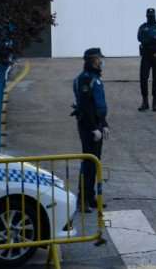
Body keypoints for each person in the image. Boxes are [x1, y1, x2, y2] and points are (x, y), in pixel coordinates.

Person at [72, 47, 109, 213]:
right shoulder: (85, 80)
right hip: (88, 125)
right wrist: (94, 128)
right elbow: (86, 106)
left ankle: (90, 195)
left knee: (95, 161)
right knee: (89, 162)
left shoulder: (95, 78)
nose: (102, 61)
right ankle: (82, 199)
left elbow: (98, 104)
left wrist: (105, 124)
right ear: (94, 60)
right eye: (100, 58)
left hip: (97, 123)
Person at [137, 8, 156, 111]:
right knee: (143, 79)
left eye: (152, 15)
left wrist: (149, 39)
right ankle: (145, 102)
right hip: (146, 56)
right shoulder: (143, 27)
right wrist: (152, 38)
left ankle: (155, 102)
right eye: (149, 15)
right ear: (146, 15)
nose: (151, 16)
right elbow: (140, 38)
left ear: (155, 15)